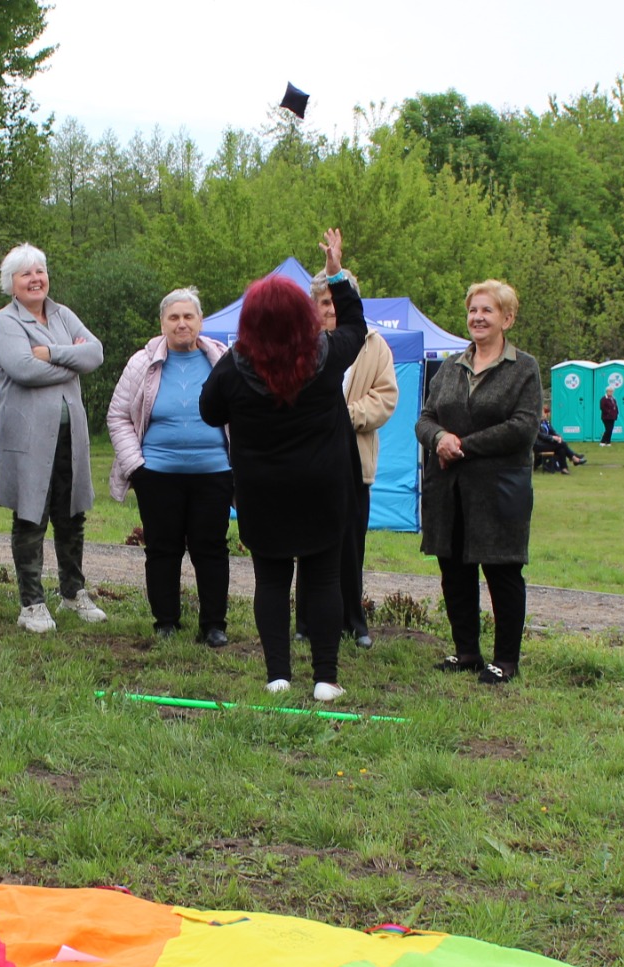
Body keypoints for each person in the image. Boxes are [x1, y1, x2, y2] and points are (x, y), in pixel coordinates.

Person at [198, 229, 365, 702]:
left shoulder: (235, 365)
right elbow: (354, 323)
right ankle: (325, 679)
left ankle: (277, 676)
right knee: (325, 578)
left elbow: (210, 411)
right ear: (303, 317)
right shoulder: (327, 357)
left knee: (271, 579)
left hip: (262, 491)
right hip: (323, 488)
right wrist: (336, 274)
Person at [415, 279, 542, 684]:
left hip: (498, 490)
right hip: (449, 490)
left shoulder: (524, 368)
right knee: (454, 572)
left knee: (502, 573)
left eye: (487, 310)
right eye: (473, 310)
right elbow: (425, 417)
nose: (478, 317)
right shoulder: (451, 366)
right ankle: (466, 651)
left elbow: (523, 427)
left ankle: (506, 661)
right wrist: (439, 438)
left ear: (507, 318)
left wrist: (462, 444)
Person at [0, 244, 107, 633]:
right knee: (30, 517)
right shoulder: (5, 322)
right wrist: (70, 364)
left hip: (71, 435)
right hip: (28, 438)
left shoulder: (62, 314)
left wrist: (51, 353)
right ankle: (31, 603)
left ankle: (73, 592)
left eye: (40, 271)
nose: (35, 279)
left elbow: (95, 355)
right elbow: (24, 369)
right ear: (11, 283)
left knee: (72, 515)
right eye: (26, 274)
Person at [106, 287, 233, 645]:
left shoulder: (222, 360)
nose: (181, 324)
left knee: (211, 548)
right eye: (173, 317)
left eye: (188, 316)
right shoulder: (141, 363)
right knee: (162, 549)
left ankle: (213, 625)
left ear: (200, 321)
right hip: (157, 474)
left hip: (214, 472)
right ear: (162, 323)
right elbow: (117, 416)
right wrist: (137, 466)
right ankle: (165, 621)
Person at [311, 270, 397, 649]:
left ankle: (354, 621)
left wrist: (344, 416)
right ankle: (307, 622)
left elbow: (386, 398)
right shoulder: (304, 343)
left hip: (354, 461)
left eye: (332, 302)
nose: (327, 310)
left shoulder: (375, 345)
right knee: (309, 544)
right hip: (309, 462)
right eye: (321, 303)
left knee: (351, 545)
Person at [535, 402, 583, 472]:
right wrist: (553, 438)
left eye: (545, 413)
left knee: (561, 448)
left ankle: (564, 468)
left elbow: (552, 432)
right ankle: (574, 458)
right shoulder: (535, 423)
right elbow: (541, 436)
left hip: (547, 443)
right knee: (562, 444)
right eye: (543, 413)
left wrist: (558, 437)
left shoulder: (546, 423)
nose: (545, 415)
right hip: (539, 445)